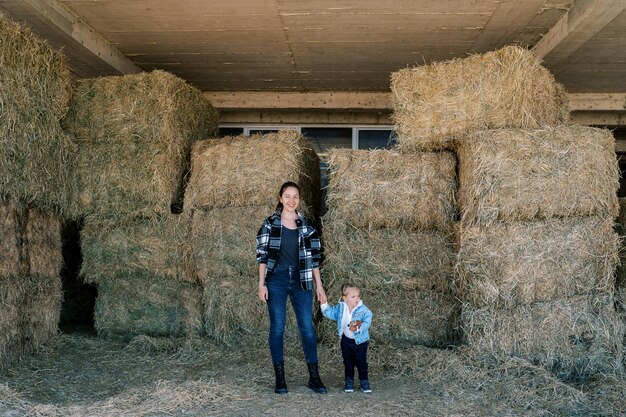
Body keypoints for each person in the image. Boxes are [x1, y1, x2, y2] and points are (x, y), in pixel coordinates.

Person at [256, 181, 328, 395]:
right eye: (287, 196)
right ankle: (280, 379)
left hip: (301, 279)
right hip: (276, 278)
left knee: (306, 326)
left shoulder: (308, 227)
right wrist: (261, 284)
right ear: (280, 198)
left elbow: (314, 259)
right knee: (278, 326)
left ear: (299, 199)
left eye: (295, 196)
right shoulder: (269, 224)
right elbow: (262, 256)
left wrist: (319, 286)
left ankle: (314, 377)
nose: (291, 200)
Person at [321, 283, 373, 393]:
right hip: (345, 341)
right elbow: (331, 313)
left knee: (361, 361)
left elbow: (368, 318)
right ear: (345, 298)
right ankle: (349, 380)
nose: (357, 299)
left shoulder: (362, 309)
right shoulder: (341, 308)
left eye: (358, 296)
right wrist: (324, 304)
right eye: (353, 297)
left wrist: (358, 327)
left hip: (360, 342)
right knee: (348, 362)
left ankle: (364, 380)